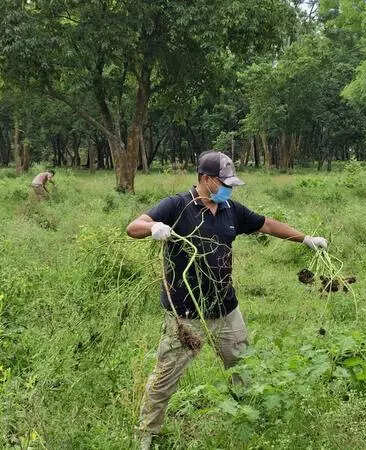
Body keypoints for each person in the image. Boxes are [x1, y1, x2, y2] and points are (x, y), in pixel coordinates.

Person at [126, 151, 328, 449]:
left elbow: (267, 224)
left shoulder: (231, 209)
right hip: (186, 314)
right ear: (206, 179)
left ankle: (246, 418)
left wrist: (306, 239)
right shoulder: (177, 206)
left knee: (242, 366)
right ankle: (147, 434)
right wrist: (154, 228)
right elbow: (133, 227)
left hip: (225, 310)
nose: (228, 189)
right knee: (165, 376)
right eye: (224, 183)